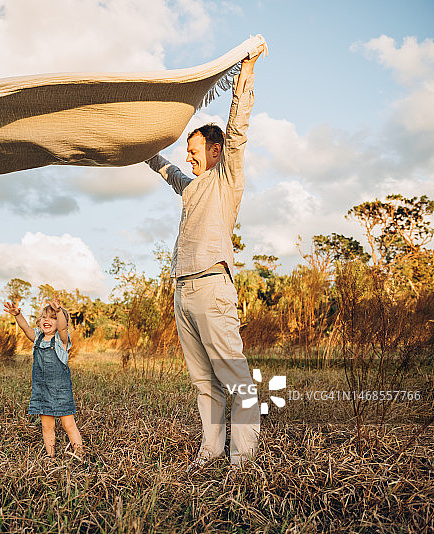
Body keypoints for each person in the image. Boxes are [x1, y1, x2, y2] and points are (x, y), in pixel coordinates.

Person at [144, 46, 265, 468]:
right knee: (203, 381)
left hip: (213, 286)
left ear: (215, 151)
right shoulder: (190, 186)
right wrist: (134, 142)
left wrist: (243, 77)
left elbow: (238, 131)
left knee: (233, 377)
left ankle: (243, 460)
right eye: (188, 152)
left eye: (195, 150)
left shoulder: (226, 178)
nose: (189, 157)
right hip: (183, 290)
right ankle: (210, 452)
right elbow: (161, 167)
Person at [4, 297, 83, 458]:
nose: (48, 320)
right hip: (41, 390)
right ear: (40, 320)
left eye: (53, 318)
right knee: (47, 427)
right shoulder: (38, 338)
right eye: (45, 317)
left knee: (69, 425)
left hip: (60, 391)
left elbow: (62, 328)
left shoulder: (61, 340)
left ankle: (80, 455)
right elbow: (26, 328)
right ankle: (50, 457)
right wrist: (17, 315)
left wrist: (59, 311)